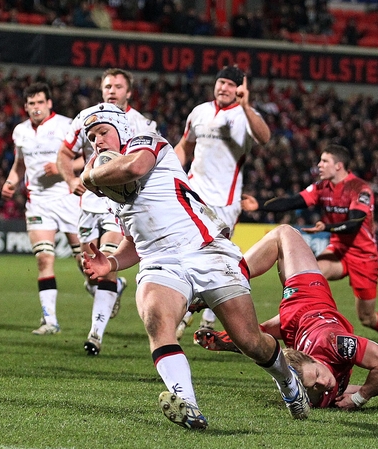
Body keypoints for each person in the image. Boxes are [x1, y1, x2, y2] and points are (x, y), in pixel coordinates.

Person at [79, 103, 309, 429]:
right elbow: (133, 239)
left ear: (122, 128)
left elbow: (134, 168)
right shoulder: (109, 187)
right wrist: (113, 261)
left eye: (102, 132)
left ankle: (286, 379)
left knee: (249, 341)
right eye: (91, 138)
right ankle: (186, 403)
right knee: (157, 321)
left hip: (205, 251)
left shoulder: (148, 142)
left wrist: (88, 175)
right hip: (160, 263)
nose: (97, 141)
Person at [194, 225, 378, 409]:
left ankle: (223, 282)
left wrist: (361, 396)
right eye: (317, 380)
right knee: (257, 338)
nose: (324, 384)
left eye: (317, 379)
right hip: (298, 321)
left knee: (285, 233)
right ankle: (232, 328)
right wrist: (367, 392)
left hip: (304, 302)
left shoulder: (325, 365)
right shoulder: (321, 381)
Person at [241, 145, 378, 340]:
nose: (319, 165)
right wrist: (260, 205)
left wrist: (325, 228)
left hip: (364, 256)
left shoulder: (360, 189)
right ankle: (294, 321)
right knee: (308, 276)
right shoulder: (321, 187)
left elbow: (354, 223)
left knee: (367, 317)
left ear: (338, 165)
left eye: (324, 161)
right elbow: (293, 201)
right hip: (337, 251)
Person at [56, 68, 157, 355]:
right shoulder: (86, 118)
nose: (112, 90)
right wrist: (71, 179)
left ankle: (94, 336)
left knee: (107, 262)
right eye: (107, 86)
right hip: (89, 201)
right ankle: (111, 288)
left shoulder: (142, 124)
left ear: (129, 92)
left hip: (119, 203)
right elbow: (64, 153)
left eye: (118, 86)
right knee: (89, 268)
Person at [173, 65, 271, 339]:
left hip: (225, 203)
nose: (224, 88)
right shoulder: (199, 112)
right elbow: (185, 145)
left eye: (230, 84)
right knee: (187, 251)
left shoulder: (246, 116)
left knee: (217, 258)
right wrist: (173, 168)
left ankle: (204, 314)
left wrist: (248, 105)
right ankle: (189, 311)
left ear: (240, 88)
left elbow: (265, 138)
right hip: (193, 194)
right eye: (221, 82)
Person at [2, 82, 80, 335]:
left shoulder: (67, 126)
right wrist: (11, 181)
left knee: (86, 264)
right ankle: (50, 321)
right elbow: (19, 164)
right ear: (25, 107)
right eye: (31, 104)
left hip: (69, 199)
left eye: (40, 103)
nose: (36, 108)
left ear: (49, 104)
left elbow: (87, 157)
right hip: (38, 202)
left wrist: (62, 168)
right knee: (44, 258)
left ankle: (108, 287)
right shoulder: (20, 131)